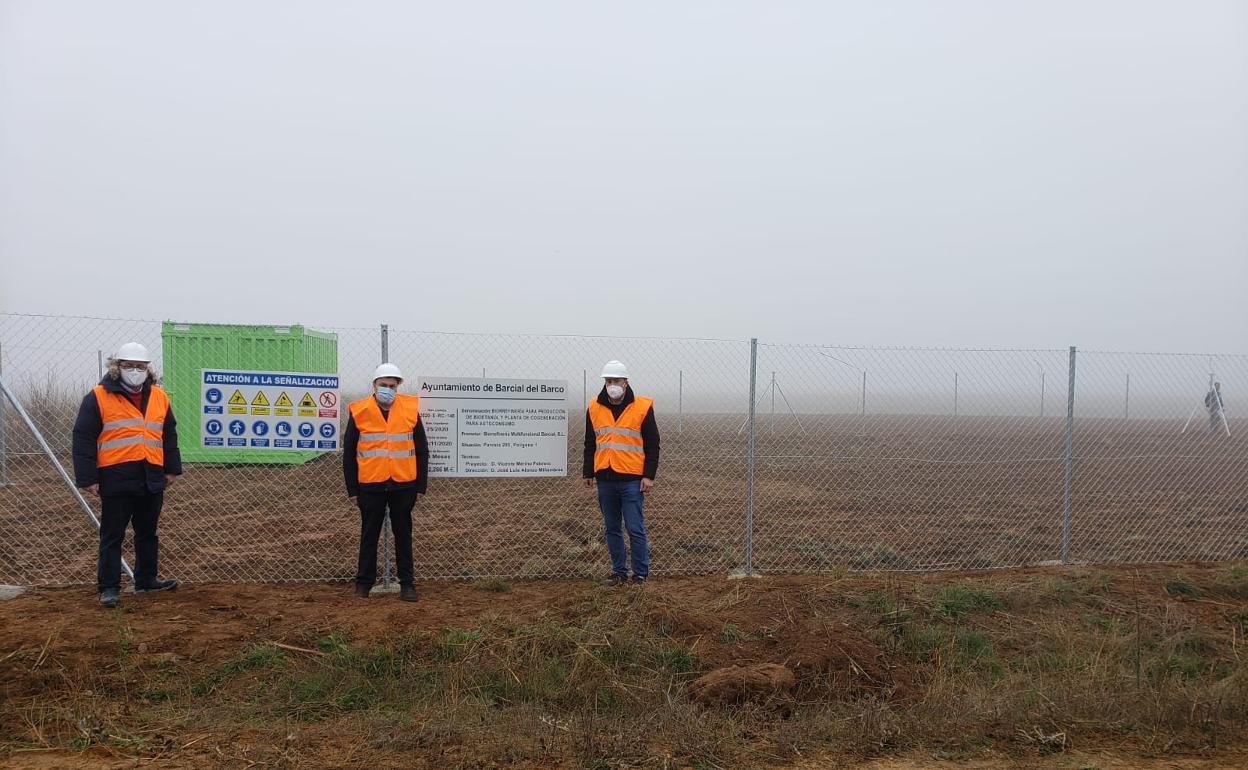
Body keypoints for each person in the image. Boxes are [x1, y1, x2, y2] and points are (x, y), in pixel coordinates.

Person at [72, 342, 182, 608]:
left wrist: (171, 469)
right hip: (116, 476)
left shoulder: (159, 397)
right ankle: (108, 587)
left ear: (148, 369)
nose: (135, 371)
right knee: (112, 535)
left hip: (151, 475)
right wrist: (88, 478)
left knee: (147, 533)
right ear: (116, 367)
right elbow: (83, 438)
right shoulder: (98, 397)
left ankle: (146, 580)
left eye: (140, 366)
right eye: (128, 366)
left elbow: (168, 435)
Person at [343, 362, 428, 601]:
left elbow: (421, 449)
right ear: (374, 385)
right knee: (369, 535)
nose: (388, 389)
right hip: (370, 485)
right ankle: (363, 585)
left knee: (403, 535)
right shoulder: (359, 411)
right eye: (384, 385)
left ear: (398, 386)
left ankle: (407, 585)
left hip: (403, 484)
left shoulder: (410, 408)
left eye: (392, 385)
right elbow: (349, 453)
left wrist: (420, 486)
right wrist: (352, 489)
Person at [583, 360, 660, 586]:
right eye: (608, 381)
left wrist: (649, 475)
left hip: (632, 480)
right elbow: (590, 442)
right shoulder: (594, 407)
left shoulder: (642, 407)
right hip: (605, 479)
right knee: (612, 528)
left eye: (616, 380)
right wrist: (588, 472)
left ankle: (640, 574)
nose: (612, 385)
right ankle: (618, 572)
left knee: (635, 529)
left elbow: (653, 444)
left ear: (626, 382)